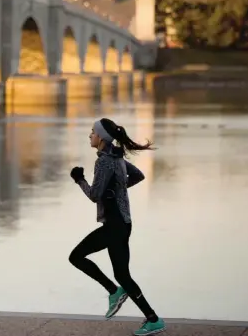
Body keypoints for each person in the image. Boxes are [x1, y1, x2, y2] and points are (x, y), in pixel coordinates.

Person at [68, 118, 166, 336]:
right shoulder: (117, 156)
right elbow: (138, 176)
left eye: (92, 132)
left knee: (76, 257)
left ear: (101, 138)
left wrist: (79, 180)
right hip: (123, 224)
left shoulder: (104, 161)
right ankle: (153, 320)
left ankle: (113, 291)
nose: (90, 135)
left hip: (113, 226)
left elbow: (94, 195)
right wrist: (118, 189)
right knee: (123, 275)